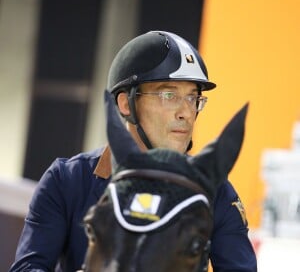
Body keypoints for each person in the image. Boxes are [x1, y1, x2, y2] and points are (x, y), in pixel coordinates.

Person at [10, 30, 257, 272]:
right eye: (169, 95)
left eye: (193, 98)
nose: (186, 113)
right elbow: (28, 267)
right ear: (126, 103)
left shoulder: (217, 191)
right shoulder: (67, 180)